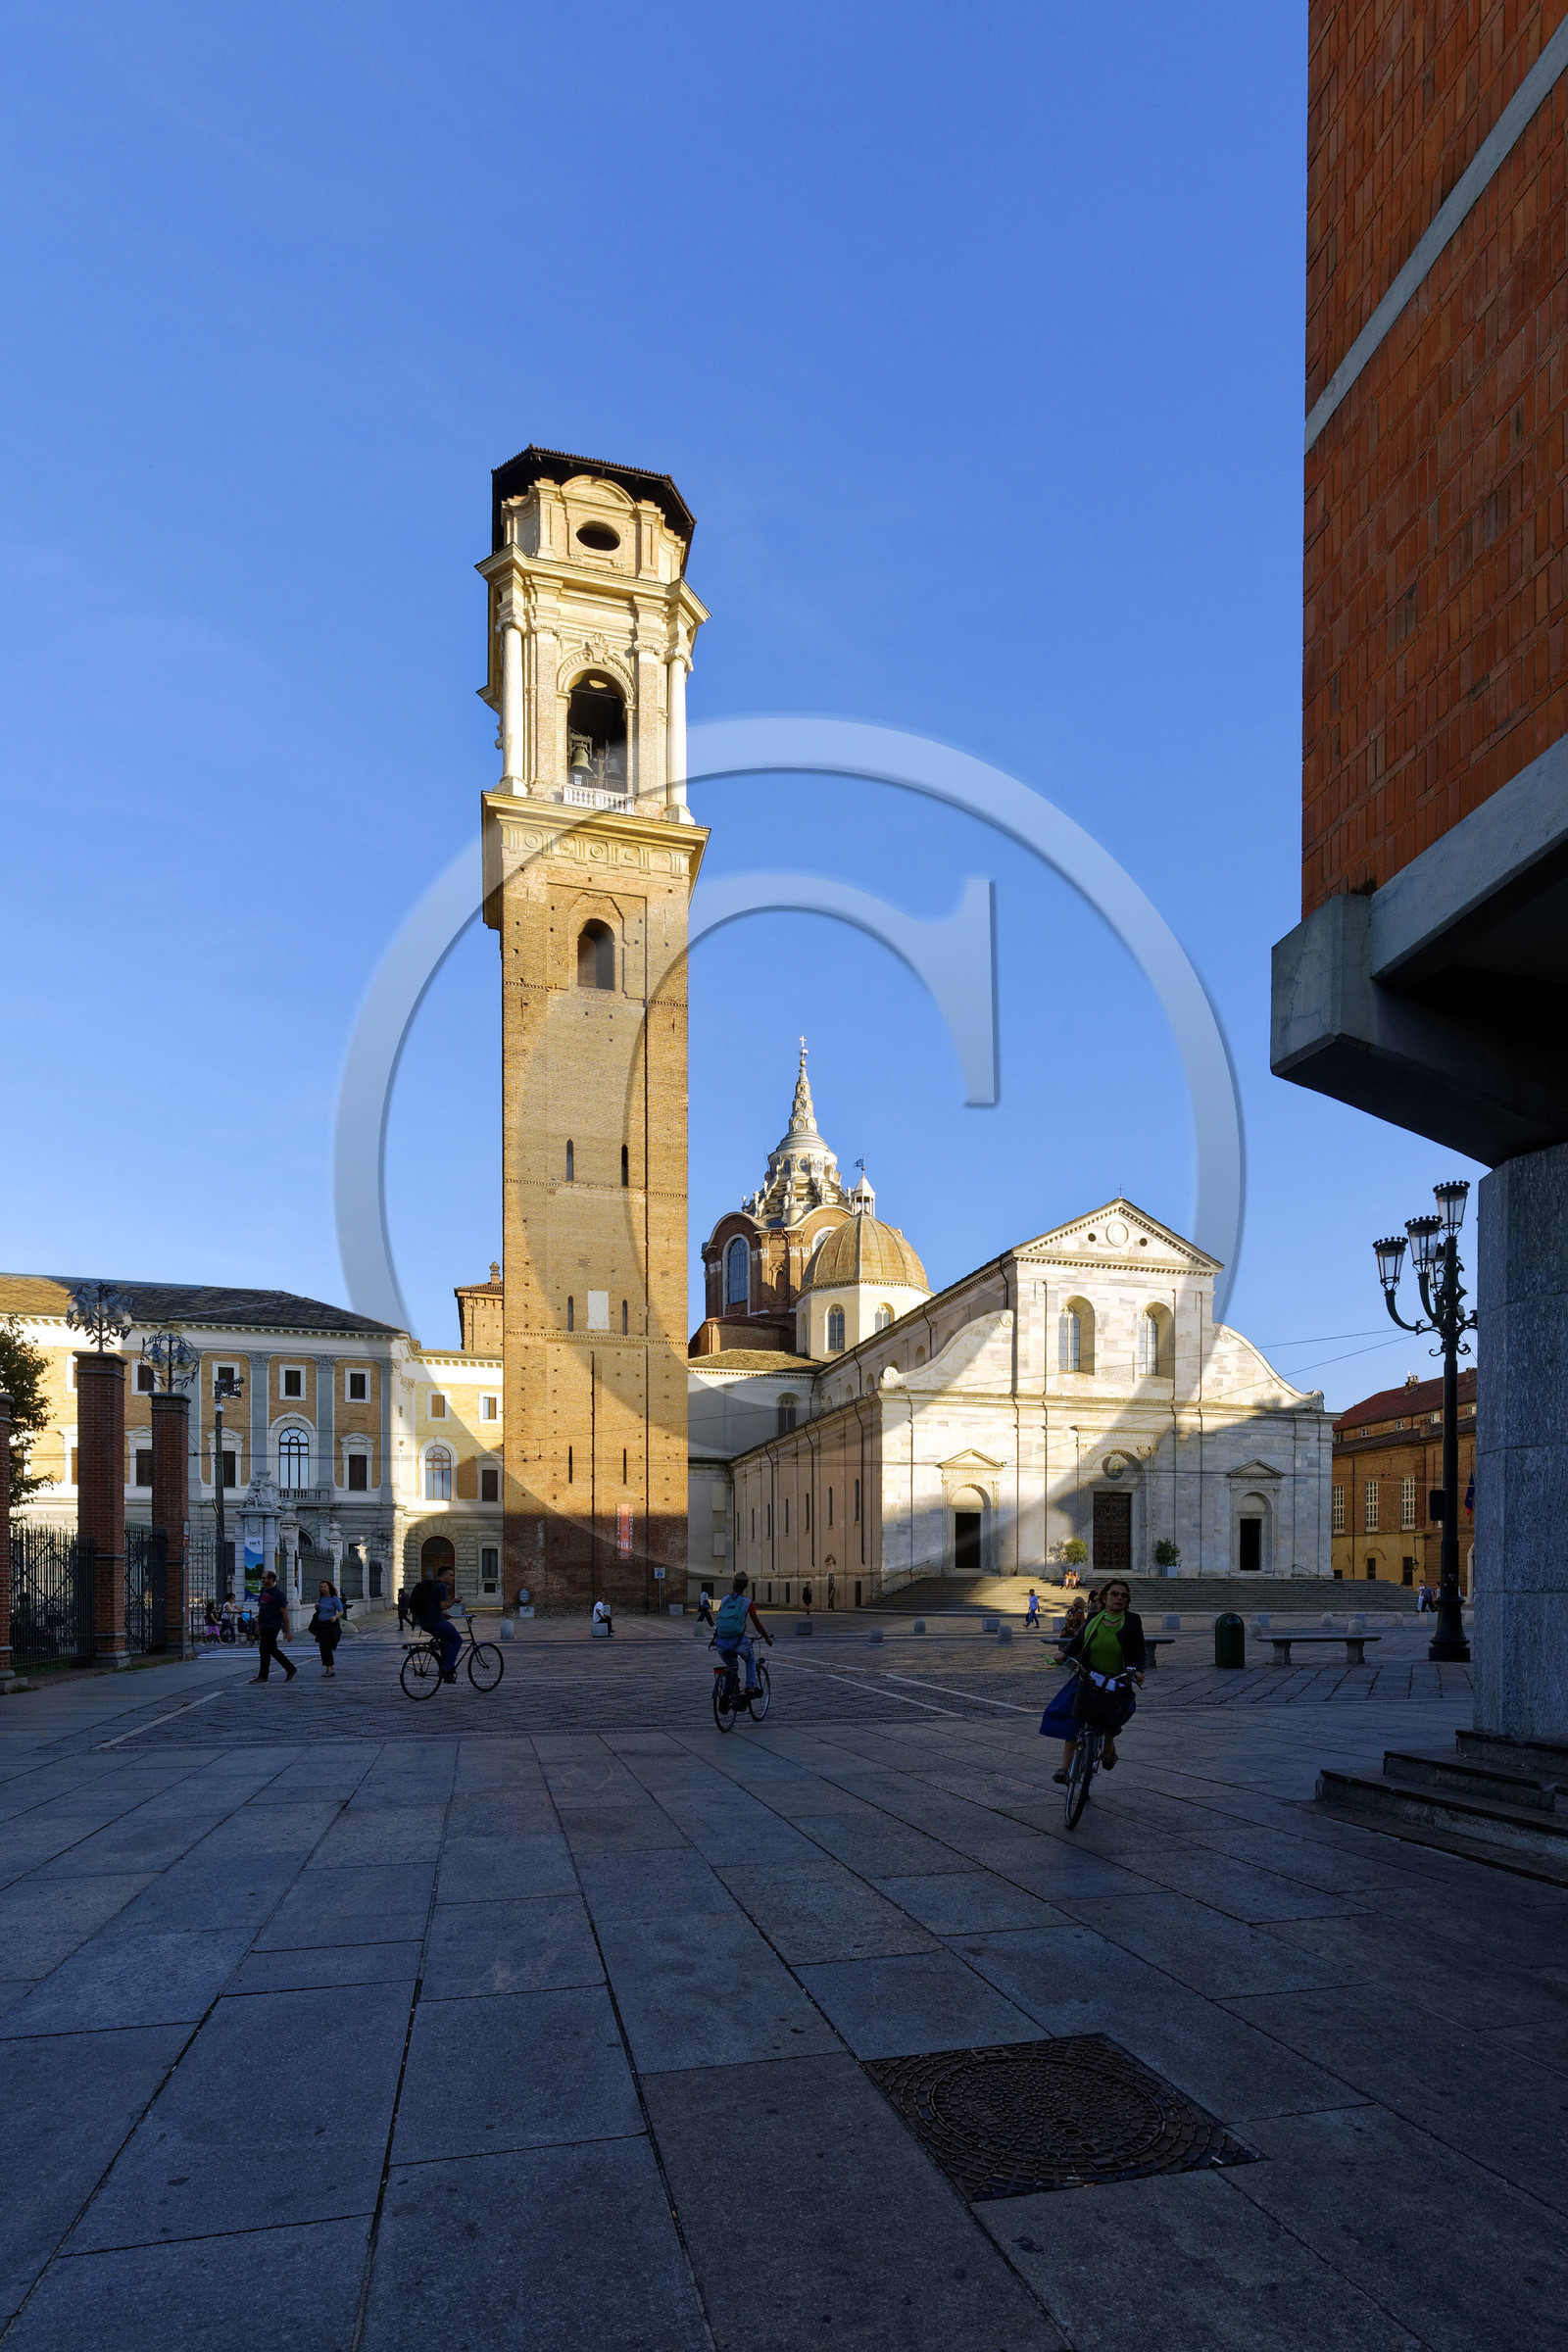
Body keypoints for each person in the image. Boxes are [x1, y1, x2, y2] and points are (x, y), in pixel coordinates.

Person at [1050, 1578, 1146, 1779]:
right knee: (1072, 1715)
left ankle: (1109, 1741)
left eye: (1124, 1595)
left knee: (1117, 1712)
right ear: (1105, 1597)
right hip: (1090, 1675)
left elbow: (1139, 1651)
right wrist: (1063, 1654)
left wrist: (1137, 1670)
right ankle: (1065, 1769)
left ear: (1127, 1601)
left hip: (1117, 1677)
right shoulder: (1093, 1618)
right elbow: (1077, 1642)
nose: (1119, 1598)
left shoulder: (1132, 1620)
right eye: (1114, 1594)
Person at [1038, 1598, 1088, 1768]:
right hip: (1075, 1637)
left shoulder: (1069, 1610)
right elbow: (1084, 1629)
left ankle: (1065, 1767)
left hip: (1065, 1633)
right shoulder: (1081, 1614)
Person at [713, 1571, 772, 1694]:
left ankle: (726, 1691)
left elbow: (721, 1617)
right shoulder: (747, 1602)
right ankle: (750, 1687)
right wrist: (766, 1637)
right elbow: (757, 1624)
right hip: (738, 1641)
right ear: (746, 1586)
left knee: (731, 1666)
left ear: (733, 1584)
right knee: (750, 1659)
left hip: (721, 1642)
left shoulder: (724, 1600)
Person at [409, 1566, 463, 1682]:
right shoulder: (442, 1586)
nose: (453, 1577)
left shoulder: (432, 1585)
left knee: (445, 1641)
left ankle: (447, 1673)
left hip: (424, 1622)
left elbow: (433, 1606)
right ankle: (446, 1669)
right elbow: (444, 1605)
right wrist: (454, 1600)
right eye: (451, 1575)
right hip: (435, 1622)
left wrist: (443, 1614)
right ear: (443, 1575)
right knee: (457, 1640)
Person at [251, 1569, 297, 1684]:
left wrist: (287, 1631)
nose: (262, 1580)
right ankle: (290, 1668)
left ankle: (263, 1676)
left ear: (271, 1579)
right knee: (272, 1650)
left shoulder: (278, 1594)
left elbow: (284, 1612)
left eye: (264, 1578)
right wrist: (258, 1623)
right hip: (264, 1624)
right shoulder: (264, 1592)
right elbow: (262, 1608)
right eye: (262, 1578)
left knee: (265, 1649)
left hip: (273, 1624)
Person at [310, 1579, 345, 1677]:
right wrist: (316, 1606)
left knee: (327, 1647)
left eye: (325, 1587)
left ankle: (330, 1668)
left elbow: (341, 1611)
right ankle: (329, 1667)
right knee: (323, 1647)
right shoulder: (320, 1599)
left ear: (329, 1588)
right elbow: (319, 1611)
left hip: (330, 1626)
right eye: (321, 1587)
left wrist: (335, 1617)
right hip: (321, 1626)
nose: (323, 1589)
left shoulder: (334, 1599)